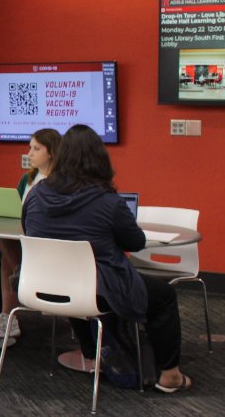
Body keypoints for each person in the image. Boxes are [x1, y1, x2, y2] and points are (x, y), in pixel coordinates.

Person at [22, 124, 192, 393]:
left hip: (44, 286)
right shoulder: (107, 201)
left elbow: (29, 233)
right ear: (99, 159)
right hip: (95, 290)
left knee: (80, 277)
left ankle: (92, 354)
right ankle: (170, 375)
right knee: (164, 297)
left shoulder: (35, 195)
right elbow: (135, 243)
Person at [0, 128, 61, 339]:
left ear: (51, 152)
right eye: (29, 148)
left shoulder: (62, 181)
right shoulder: (28, 179)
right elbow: (17, 209)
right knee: (7, 246)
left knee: (8, 253)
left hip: (51, 244)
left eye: (36, 148)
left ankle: (19, 291)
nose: (30, 153)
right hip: (25, 239)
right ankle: (19, 287)